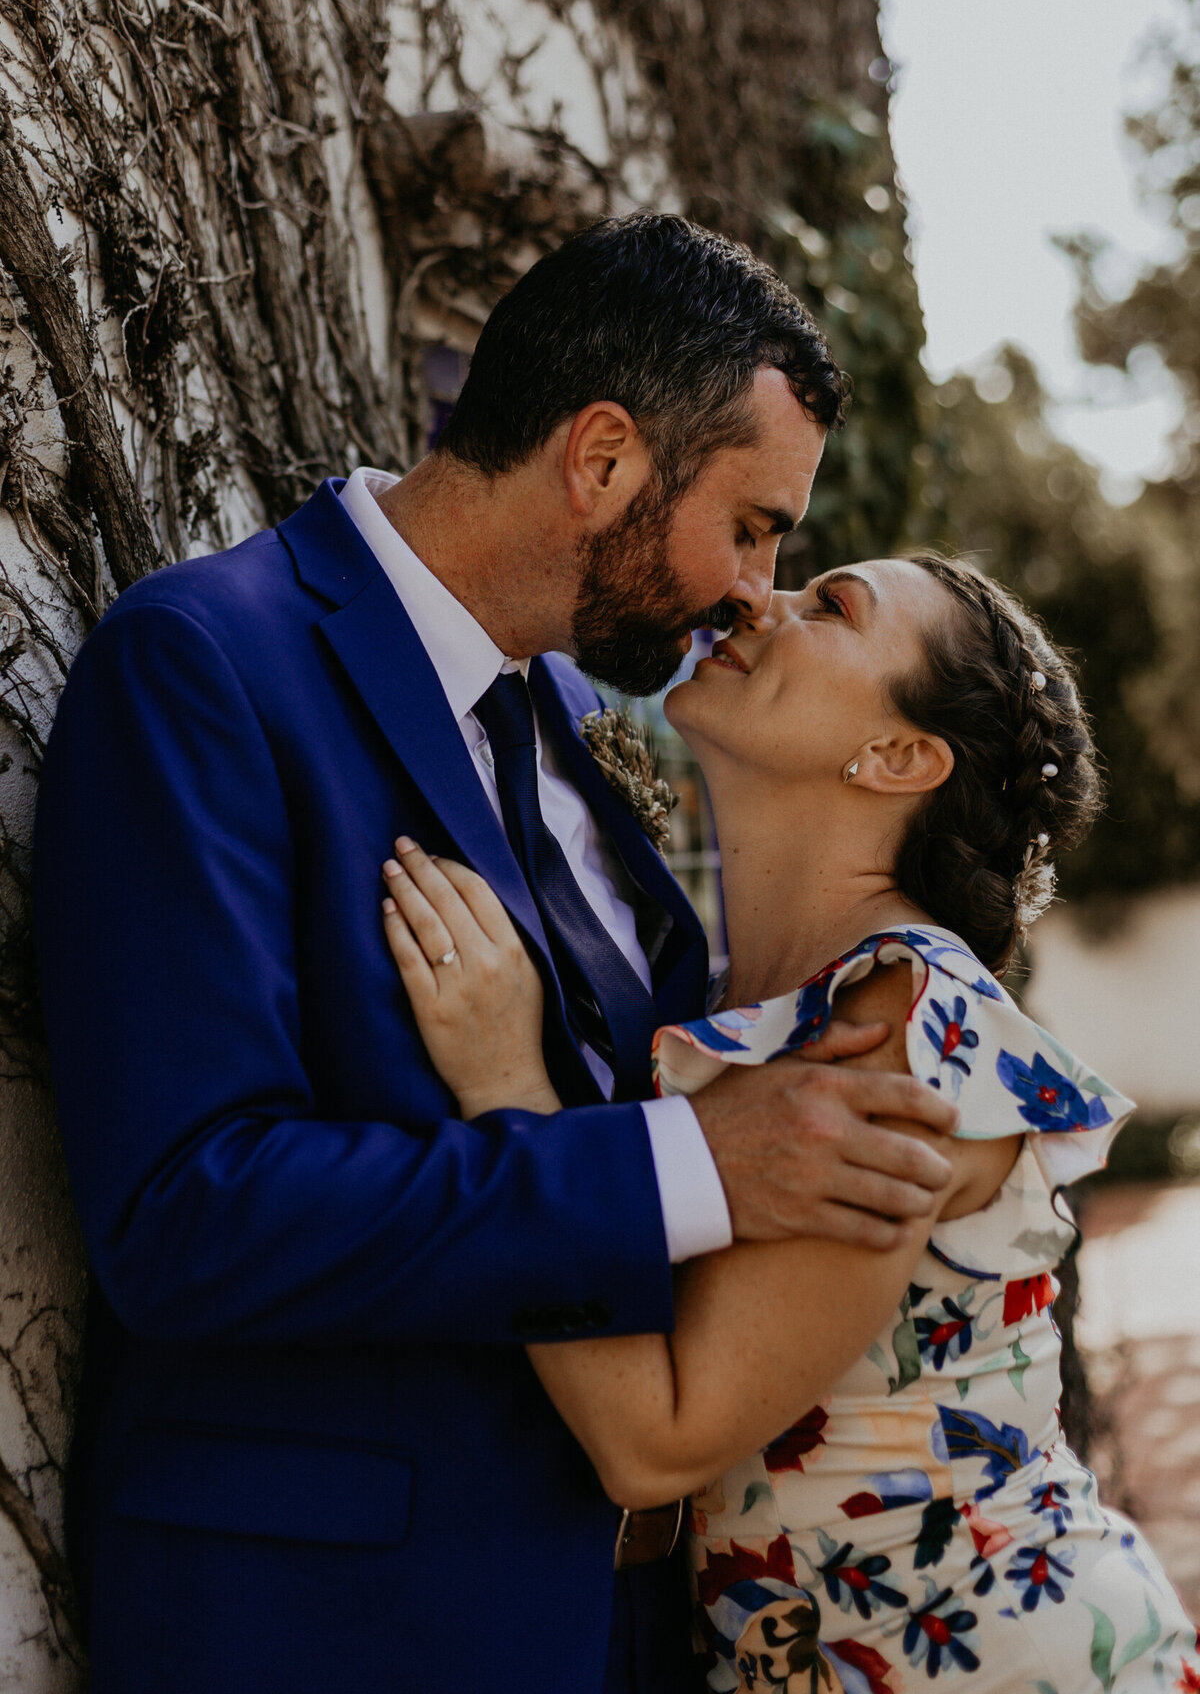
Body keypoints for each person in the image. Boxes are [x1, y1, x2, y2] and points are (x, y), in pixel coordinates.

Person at [33, 215, 961, 1694]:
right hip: (334, 1637)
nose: (753, 589)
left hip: (611, 1639)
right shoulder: (206, 664)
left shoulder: (554, 738)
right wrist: (687, 1164)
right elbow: (185, 1215)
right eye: (755, 526)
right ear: (601, 460)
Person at [378, 553, 1200, 1694]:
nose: (761, 598)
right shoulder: (732, 1005)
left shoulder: (906, 1028)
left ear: (900, 757)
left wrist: (510, 1085)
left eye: (833, 608)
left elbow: (656, 1440)